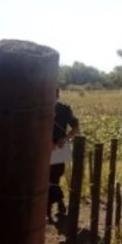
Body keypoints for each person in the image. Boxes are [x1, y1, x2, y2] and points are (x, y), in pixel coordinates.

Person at [48, 89, 80, 223]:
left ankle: (49, 211)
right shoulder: (37, 109)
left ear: (57, 95)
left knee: (54, 178)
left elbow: (76, 128)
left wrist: (65, 139)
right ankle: (59, 202)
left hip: (59, 148)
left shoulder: (64, 109)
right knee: (46, 179)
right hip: (42, 149)